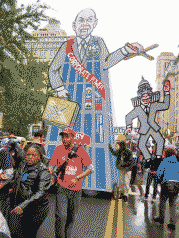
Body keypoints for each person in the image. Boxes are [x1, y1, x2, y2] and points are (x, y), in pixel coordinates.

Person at [48, 8, 144, 193]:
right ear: (74, 25)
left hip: (92, 99)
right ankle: (54, 178)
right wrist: (59, 88)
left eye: (88, 20)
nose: (84, 24)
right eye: (81, 20)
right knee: (57, 138)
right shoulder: (67, 45)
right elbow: (53, 69)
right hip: (67, 100)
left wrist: (125, 50)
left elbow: (106, 62)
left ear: (95, 23)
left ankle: (96, 182)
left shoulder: (98, 42)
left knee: (95, 138)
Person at [49, 127, 93, 238]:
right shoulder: (58, 149)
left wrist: (78, 177)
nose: (64, 139)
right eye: (63, 136)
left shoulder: (80, 150)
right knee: (61, 216)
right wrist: (51, 177)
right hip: (62, 188)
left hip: (76, 191)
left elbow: (90, 168)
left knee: (70, 217)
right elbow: (51, 166)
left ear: (73, 137)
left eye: (67, 136)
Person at [125, 77, 170, 167]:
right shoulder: (137, 109)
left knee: (160, 141)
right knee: (141, 144)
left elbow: (165, 105)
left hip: (153, 127)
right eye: (143, 95)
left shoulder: (154, 105)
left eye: (147, 95)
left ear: (151, 95)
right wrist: (129, 127)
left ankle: (158, 159)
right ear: (139, 96)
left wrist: (167, 93)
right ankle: (148, 160)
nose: (146, 98)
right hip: (144, 129)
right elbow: (128, 116)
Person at [8, 144, 51, 238]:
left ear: (39, 156)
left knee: (29, 233)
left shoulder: (44, 171)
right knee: (15, 232)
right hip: (21, 206)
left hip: (36, 209)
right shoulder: (23, 164)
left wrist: (23, 205)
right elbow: (15, 177)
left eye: (33, 155)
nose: (30, 157)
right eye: (28, 154)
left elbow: (40, 192)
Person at [154, 148, 179, 231]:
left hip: (167, 183)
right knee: (172, 204)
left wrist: (158, 180)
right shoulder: (177, 161)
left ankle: (161, 219)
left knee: (162, 202)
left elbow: (159, 173)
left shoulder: (165, 161)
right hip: (176, 185)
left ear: (166, 154)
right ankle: (172, 224)